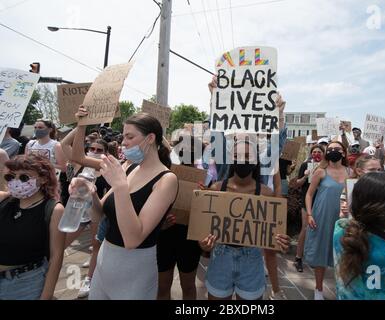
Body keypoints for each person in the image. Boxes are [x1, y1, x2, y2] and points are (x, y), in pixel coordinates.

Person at [73, 106, 178, 300]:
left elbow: (133, 239)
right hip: (105, 263)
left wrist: (120, 186)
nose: (123, 142)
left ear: (150, 138)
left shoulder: (166, 179)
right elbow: (99, 214)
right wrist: (90, 192)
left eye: (130, 137)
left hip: (135, 270)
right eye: (123, 137)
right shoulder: (129, 169)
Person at [199, 138, 290, 300]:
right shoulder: (216, 189)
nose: (242, 160)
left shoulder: (265, 194)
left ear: (256, 161)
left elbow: (271, 236)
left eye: (248, 156)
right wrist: (204, 243)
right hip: (221, 258)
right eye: (237, 155)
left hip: (252, 260)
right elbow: (205, 232)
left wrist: (280, 241)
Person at [0, 154, 65, 299]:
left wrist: (46, 296)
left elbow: (56, 256)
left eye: (24, 177)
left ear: (43, 178)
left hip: (25, 284)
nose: (16, 182)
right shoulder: (5, 201)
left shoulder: (53, 210)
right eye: (10, 177)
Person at [61, 128, 112, 299]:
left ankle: (89, 279)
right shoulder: (79, 164)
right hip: (76, 212)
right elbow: (64, 144)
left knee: (96, 247)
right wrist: (81, 124)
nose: (95, 152)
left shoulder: (107, 170)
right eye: (92, 149)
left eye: (99, 150)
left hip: (97, 213)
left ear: (106, 153)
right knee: (60, 244)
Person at [157, 135, 204, 300]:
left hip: (189, 240)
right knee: (162, 286)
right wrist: (159, 225)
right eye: (183, 150)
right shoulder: (163, 174)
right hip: (164, 236)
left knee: (188, 286)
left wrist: (204, 196)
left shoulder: (205, 180)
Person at [304, 141, 352, 300]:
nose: (333, 151)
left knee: (344, 254)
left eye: (336, 149)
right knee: (321, 252)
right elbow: (309, 194)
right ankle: (318, 289)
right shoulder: (320, 172)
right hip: (322, 216)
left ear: (344, 153)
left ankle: (342, 289)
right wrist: (309, 214)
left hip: (343, 218)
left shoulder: (351, 173)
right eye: (330, 149)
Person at [294, 144, 325, 272]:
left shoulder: (326, 168)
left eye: (319, 152)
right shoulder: (305, 165)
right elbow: (297, 183)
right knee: (305, 228)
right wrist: (306, 176)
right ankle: (298, 258)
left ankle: (313, 258)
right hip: (307, 202)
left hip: (321, 202)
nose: (316, 154)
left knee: (318, 230)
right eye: (314, 151)